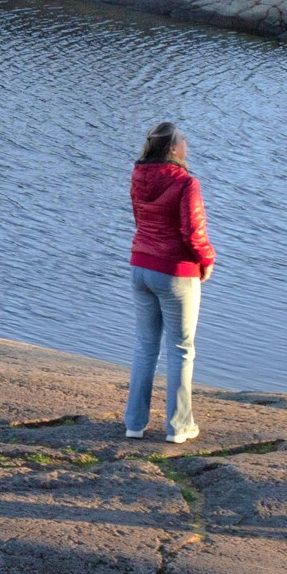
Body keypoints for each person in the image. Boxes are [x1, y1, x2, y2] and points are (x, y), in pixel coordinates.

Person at [127, 122, 216, 445]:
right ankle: (179, 427)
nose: (186, 143)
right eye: (182, 140)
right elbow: (194, 232)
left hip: (140, 267)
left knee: (145, 347)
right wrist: (206, 261)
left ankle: (134, 424)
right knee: (181, 350)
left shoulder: (137, 175)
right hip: (175, 272)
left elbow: (140, 220)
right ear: (173, 149)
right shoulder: (186, 183)